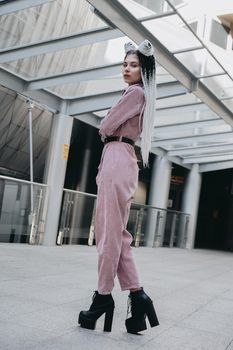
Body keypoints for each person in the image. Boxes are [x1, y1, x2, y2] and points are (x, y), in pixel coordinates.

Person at [78, 40, 159, 334]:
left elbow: (105, 126)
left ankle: (102, 297)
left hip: (117, 158)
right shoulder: (140, 94)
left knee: (108, 235)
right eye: (124, 64)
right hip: (121, 159)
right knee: (119, 236)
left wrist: (105, 124)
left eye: (133, 65)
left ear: (144, 70)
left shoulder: (135, 92)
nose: (127, 68)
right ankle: (138, 298)